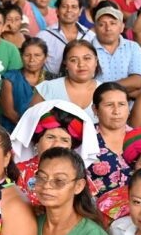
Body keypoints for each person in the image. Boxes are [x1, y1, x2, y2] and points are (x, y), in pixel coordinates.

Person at [10, 100, 96, 206]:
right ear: (37, 141)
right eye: (50, 137)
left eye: (64, 140)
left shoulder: (78, 174)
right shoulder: (17, 171)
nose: (56, 144)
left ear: (71, 147)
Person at [89, 82, 132, 223]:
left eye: (121, 104)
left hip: (137, 216)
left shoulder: (140, 138)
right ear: (95, 109)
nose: (116, 111)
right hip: (96, 217)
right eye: (109, 105)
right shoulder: (85, 139)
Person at [31, 39, 100, 120]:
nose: (81, 64)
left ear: (96, 61)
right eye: (73, 60)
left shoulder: (106, 91)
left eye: (87, 58)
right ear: (65, 64)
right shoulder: (48, 88)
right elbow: (31, 123)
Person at [91, 1, 141, 92]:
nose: (108, 28)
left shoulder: (133, 47)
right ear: (95, 28)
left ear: (122, 27)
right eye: (102, 24)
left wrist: (103, 89)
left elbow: (137, 81)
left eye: (113, 23)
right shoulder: (86, 48)